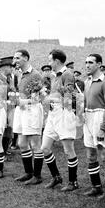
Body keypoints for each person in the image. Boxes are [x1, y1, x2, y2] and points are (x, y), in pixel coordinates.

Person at [41, 49, 79, 191]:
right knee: (45, 148)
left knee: (68, 150)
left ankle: (73, 182)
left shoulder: (67, 74)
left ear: (57, 61)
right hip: (53, 113)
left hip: (64, 113)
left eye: (50, 60)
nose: (49, 62)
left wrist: (49, 98)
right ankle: (56, 177)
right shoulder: (53, 76)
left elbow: (68, 97)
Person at [82, 54, 105, 199]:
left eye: (90, 62)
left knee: (104, 154)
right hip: (88, 117)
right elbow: (84, 102)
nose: (87, 65)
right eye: (86, 62)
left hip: (100, 116)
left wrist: (103, 128)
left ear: (99, 64)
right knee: (90, 154)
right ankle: (96, 187)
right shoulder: (87, 82)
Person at [12, 49, 45, 185]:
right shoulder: (18, 74)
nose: (15, 61)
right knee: (22, 144)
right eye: (14, 58)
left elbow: (39, 97)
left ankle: (37, 176)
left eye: (18, 58)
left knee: (35, 144)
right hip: (21, 110)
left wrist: (23, 102)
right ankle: (28, 172)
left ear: (26, 58)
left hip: (32, 110)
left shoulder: (35, 74)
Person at [0, 56, 18, 157]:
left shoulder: (12, 78)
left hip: (10, 107)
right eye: (11, 67)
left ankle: (5, 150)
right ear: (5, 67)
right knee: (1, 129)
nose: (12, 69)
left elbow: (14, 91)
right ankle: (0, 151)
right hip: (1, 107)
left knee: (9, 130)